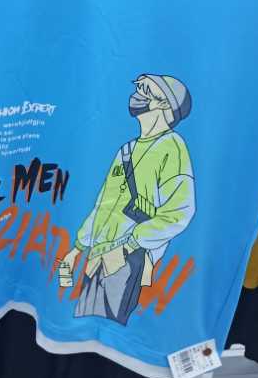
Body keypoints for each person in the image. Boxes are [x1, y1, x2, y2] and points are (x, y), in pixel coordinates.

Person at [59, 74, 196, 326]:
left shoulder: (172, 147)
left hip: (127, 259)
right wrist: (77, 249)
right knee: (84, 321)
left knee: (106, 326)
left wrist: (128, 247)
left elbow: (179, 212)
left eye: (145, 90)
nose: (137, 94)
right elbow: (103, 205)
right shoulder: (126, 150)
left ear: (165, 104)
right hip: (97, 257)